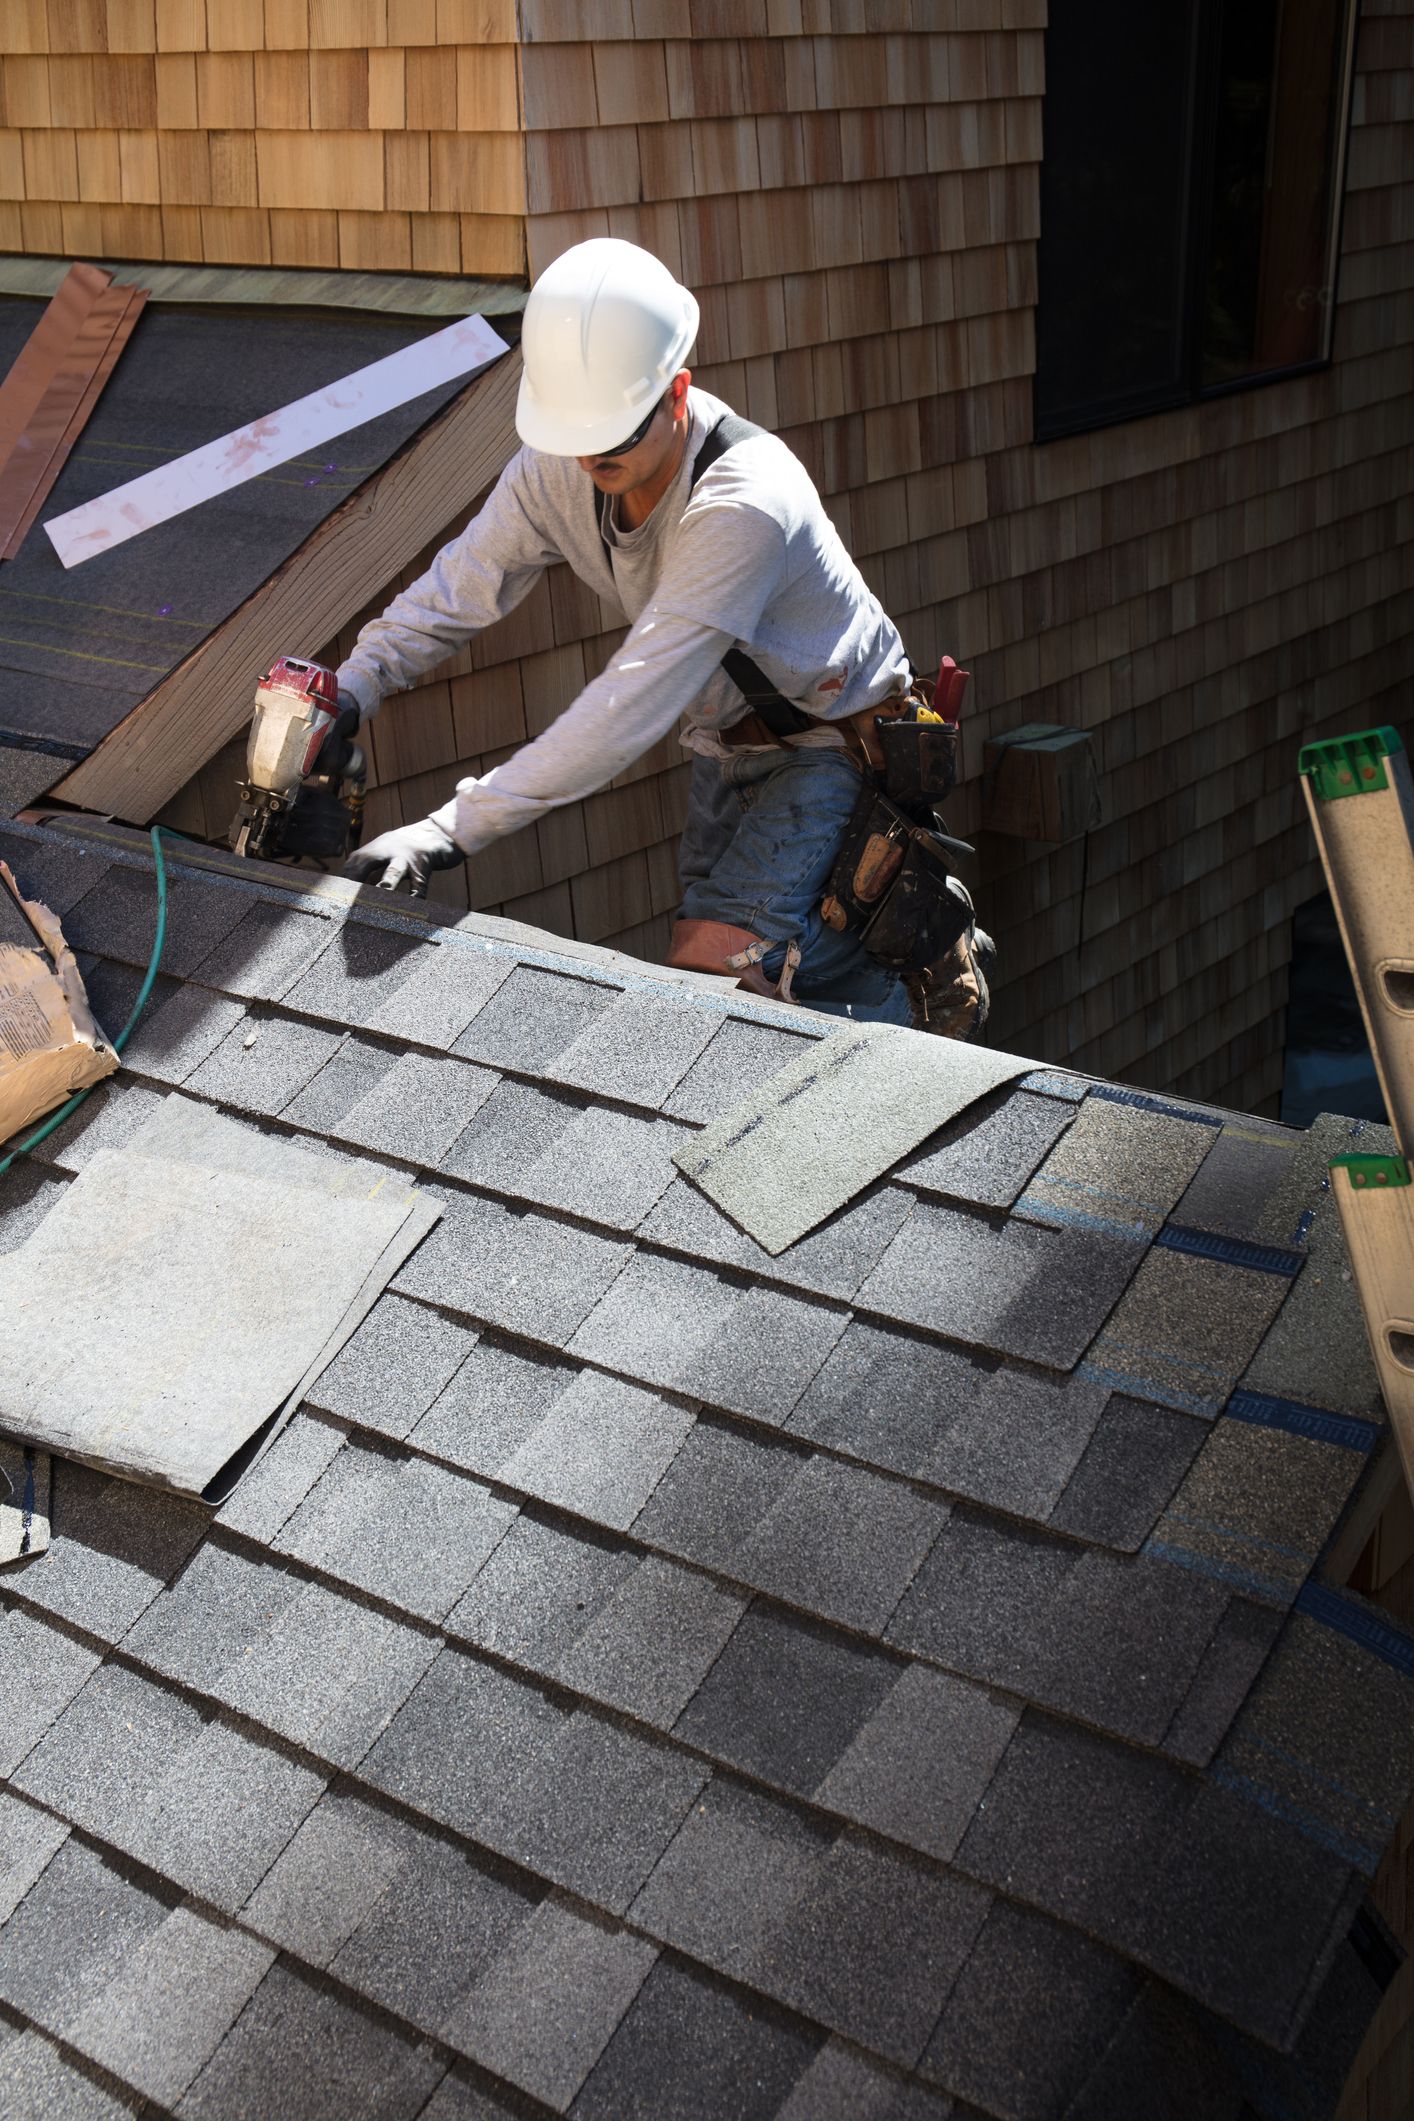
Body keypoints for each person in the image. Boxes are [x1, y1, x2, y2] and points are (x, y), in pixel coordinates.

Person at [338, 238, 991, 1035]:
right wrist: (347, 690)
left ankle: (913, 975)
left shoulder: (745, 502)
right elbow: (459, 588)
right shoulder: (563, 462)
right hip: (725, 746)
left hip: (837, 747)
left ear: (677, 393)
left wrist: (448, 830)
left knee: (720, 959)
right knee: (721, 991)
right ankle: (855, 964)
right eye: (577, 435)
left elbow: (631, 702)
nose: (590, 458)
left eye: (613, 437)